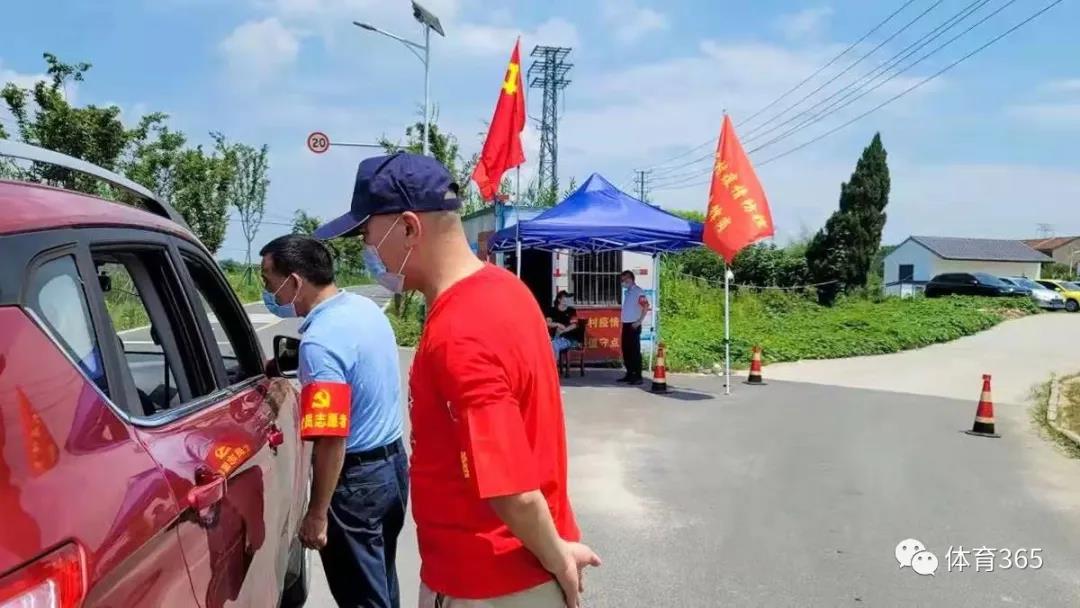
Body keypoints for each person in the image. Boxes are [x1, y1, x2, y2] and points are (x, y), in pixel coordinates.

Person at [313, 152, 601, 608]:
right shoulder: (504, 288)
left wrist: (558, 559)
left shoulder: (461, 331)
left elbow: (510, 488)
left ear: (410, 228)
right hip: (502, 569)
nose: (368, 251)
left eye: (367, 236)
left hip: (489, 581)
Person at [259, 234, 407, 608]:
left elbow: (331, 438)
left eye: (269, 280)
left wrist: (317, 513)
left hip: (355, 485)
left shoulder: (320, 342)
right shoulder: (362, 309)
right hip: (391, 470)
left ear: (295, 281)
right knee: (381, 585)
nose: (268, 292)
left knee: (363, 599)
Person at [617, 270, 650, 385]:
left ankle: (638, 376)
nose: (622, 282)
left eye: (624, 280)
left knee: (634, 351)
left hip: (633, 325)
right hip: (626, 324)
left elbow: (645, 306)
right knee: (626, 350)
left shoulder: (638, 291)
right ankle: (629, 373)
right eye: (621, 280)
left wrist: (639, 321)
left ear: (630, 279)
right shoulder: (628, 292)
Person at [546, 290, 584, 361]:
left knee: (554, 345)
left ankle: (553, 366)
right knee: (548, 344)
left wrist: (564, 330)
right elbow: (548, 323)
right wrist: (558, 324)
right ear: (559, 299)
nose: (567, 300)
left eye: (568, 298)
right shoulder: (552, 310)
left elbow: (574, 325)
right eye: (565, 298)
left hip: (567, 338)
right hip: (554, 337)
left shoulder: (571, 311)